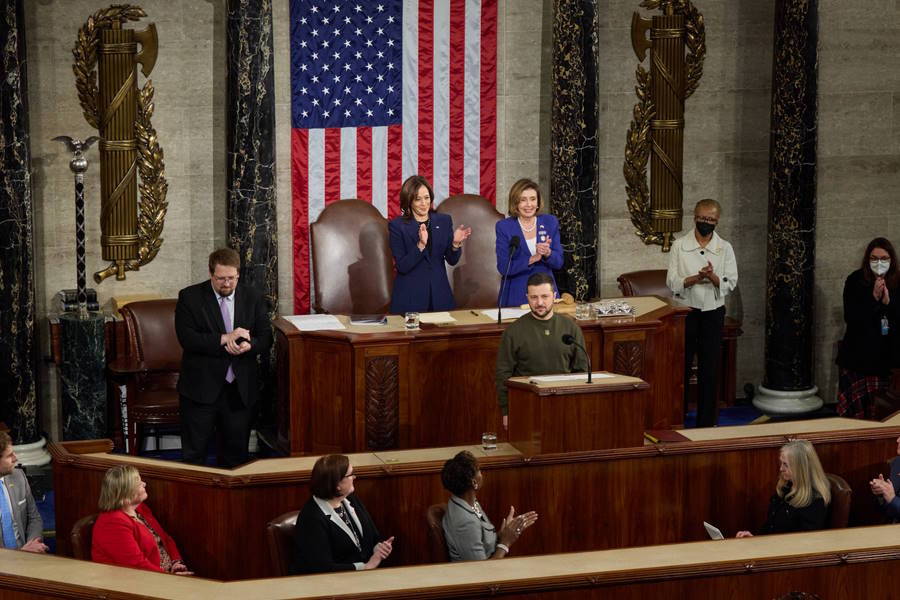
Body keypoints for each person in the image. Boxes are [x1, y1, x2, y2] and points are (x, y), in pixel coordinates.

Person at [175, 247, 272, 468]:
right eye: (221, 279)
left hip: (239, 391)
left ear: (238, 274)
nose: (226, 284)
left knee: (236, 458)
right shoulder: (190, 298)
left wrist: (249, 345)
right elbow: (187, 339)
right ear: (211, 274)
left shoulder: (253, 297)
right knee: (194, 457)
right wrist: (225, 338)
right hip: (200, 390)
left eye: (231, 278)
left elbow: (266, 338)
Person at [666, 198, 738, 428]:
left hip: (712, 312)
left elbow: (731, 281)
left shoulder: (724, 247)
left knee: (710, 368)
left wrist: (712, 276)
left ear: (717, 221)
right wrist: (697, 277)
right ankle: (678, 416)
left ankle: (707, 423)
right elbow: (672, 281)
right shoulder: (679, 245)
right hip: (686, 311)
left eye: (711, 219)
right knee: (681, 366)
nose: (706, 223)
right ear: (694, 218)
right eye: (703, 218)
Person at [495, 272, 589, 429]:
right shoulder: (513, 332)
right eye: (534, 297)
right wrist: (507, 411)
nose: (539, 302)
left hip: (564, 405)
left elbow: (581, 371)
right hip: (526, 406)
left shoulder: (571, 328)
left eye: (545, 296)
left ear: (554, 296)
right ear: (527, 297)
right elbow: (503, 375)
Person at [291, 454, 394, 574]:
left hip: (363, 577)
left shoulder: (350, 499)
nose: (354, 477)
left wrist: (380, 549)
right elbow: (322, 568)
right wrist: (365, 567)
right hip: (332, 584)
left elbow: (373, 536)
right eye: (350, 475)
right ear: (337, 485)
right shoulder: (312, 518)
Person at [836, 237, 900, 418]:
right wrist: (872, 298)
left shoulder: (898, 281)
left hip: (888, 361)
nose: (879, 263)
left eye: (884, 258)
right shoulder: (855, 280)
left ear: (891, 260)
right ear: (867, 259)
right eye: (874, 258)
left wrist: (889, 303)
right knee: (858, 415)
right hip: (859, 358)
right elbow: (851, 318)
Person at [389, 175, 472, 314]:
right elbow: (402, 266)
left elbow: (451, 260)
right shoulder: (397, 226)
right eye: (418, 199)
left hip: (440, 297)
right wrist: (420, 245)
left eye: (427, 198)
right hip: (410, 299)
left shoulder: (444, 221)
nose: (424, 203)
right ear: (408, 201)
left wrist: (455, 244)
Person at [91, 465, 191, 574]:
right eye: (139, 484)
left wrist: (176, 562)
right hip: (139, 582)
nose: (144, 484)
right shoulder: (111, 524)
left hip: (164, 573)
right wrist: (171, 578)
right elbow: (137, 566)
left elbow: (165, 538)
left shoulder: (140, 508)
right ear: (125, 493)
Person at [440, 450, 537, 561]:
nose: (482, 474)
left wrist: (504, 533)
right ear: (474, 483)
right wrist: (506, 542)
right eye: (479, 470)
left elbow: (482, 540)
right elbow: (482, 571)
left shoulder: (469, 501)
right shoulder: (465, 522)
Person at [736, 440, 831, 537]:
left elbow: (805, 543)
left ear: (800, 468)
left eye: (785, 464)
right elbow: (771, 526)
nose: (781, 469)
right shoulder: (786, 487)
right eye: (781, 463)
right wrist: (754, 539)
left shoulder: (815, 501)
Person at [495, 178, 563, 307]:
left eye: (532, 199)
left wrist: (548, 253)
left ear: (538, 202)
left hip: (545, 294)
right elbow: (503, 267)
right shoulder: (504, 227)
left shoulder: (550, 222)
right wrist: (532, 259)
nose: (529, 205)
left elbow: (559, 262)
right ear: (515, 203)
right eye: (523, 200)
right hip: (516, 294)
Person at [0, 432, 46, 553]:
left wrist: (32, 545)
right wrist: (21, 552)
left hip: (26, 556)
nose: (16, 458)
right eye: (9, 455)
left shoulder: (19, 476)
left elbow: (34, 518)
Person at [869, 435, 900, 522]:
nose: (898, 440)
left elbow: (893, 500)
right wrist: (882, 492)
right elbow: (887, 510)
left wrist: (893, 499)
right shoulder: (898, 463)